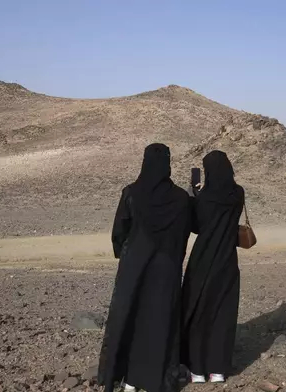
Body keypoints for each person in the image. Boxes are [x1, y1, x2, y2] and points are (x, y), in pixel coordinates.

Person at [98, 143, 192, 392]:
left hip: (135, 267)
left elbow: (119, 232)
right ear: (168, 164)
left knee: (130, 316)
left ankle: (127, 378)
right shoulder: (181, 198)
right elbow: (184, 233)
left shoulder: (131, 193)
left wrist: (126, 255)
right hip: (167, 268)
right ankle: (157, 378)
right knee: (161, 321)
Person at [181, 150, 245, 384]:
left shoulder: (204, 196)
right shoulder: (238, 193)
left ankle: (196, 370)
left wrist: (193, 197)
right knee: (222, 313)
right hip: (227, 260)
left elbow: (196, 226)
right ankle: (217, 370)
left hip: (203, 258)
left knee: (198, 310)